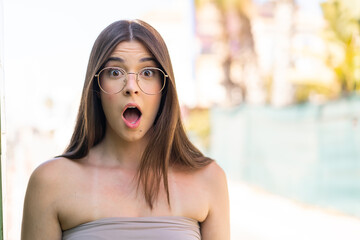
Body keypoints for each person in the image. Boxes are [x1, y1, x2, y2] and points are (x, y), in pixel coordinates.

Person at [21, 19, 230, 240]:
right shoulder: (49, 183)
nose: (131, 87)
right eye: (115, 72)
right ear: (97, 86)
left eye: (148, 73)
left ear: (164, 88)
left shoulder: (209, 180)